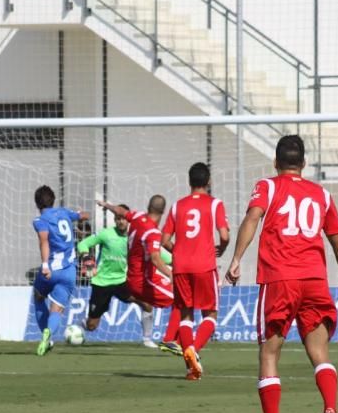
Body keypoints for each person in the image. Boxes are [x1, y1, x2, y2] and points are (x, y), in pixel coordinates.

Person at [225, 135, 338, 413]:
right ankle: (330, 408)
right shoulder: (322, 194)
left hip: (279, 280)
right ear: (304, 164)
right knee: (320, 353)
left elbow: (252, 218)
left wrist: (236, 259)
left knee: (270, 352)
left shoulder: (268, 186)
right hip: (314, 280)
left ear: (275, 162)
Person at [162, 162, 230, 380]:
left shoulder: (176, 206)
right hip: (205, 266)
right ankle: (193, 351)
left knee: (185, 314)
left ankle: (192, 367)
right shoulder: (215, 204)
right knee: (210, 314)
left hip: (181, 267)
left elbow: (164, 240)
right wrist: (222, 249)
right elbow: (225, 235)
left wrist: (179, 251)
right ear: (208, 181)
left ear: (189, 181)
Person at [97, 195, 181, 353]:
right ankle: (171, 340)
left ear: (148, 207)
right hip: (143, 280)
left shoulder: (137, 216)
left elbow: (120, 211)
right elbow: (156, 258)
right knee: (181, 298)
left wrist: (106, 205)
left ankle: (168, 339)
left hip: (136, 277)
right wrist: (171, 274)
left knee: (173, 299)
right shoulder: (152, 232)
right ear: (163, 212)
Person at [75, 204, 159, 346]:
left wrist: (174, 259)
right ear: (114, 220)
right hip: (101, 283)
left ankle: (147, 339)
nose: (121, 222)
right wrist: (87, 259)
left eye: (123, 219)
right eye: (118, 219)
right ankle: (81, 325)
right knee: (92, 326)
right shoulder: (106, 234)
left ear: (128, 220)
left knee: (146, 303)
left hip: (122, 282)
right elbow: (83, 244)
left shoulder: (136, 237)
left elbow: (158, 253)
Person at [32, 185, 89, 356]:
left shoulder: (40, 220)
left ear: (37, 203)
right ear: (53, 200)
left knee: (38, 296)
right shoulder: (64, 212)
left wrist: (44, 265)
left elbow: (44, 241)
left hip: (51, 270)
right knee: (57, 310)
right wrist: (80, 216)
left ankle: (46, 338)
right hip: (69, 271)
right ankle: (49, 333)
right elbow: (84, 216)